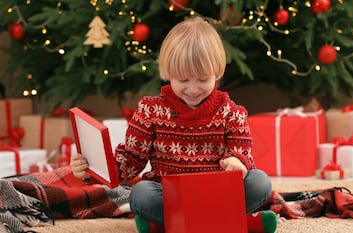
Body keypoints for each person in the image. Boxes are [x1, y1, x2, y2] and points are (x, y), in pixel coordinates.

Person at [70, 16, 277, 233]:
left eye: (203, 79)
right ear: (168, 74)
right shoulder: (150, 111)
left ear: (217, 72)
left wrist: (237, 160)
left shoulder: (232, 112)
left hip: (217, 194)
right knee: (141, 194)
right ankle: (233, 223)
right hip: (170, 195)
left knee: (259, 182)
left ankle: (170, 224)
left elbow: (242, 149)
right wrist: (92, 169)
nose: (193, 89)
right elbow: (131, 159)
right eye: (183, 80)